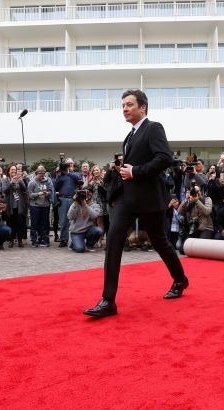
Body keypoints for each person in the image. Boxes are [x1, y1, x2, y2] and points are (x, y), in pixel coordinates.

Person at [84, 90, 188, 318]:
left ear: (143, 107)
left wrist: (135, 171)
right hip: (128, 199)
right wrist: (123, 172)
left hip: (150, 199)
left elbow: (164, 158)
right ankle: (108, 300)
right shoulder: (129, 136)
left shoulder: (153, 128)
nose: (125, 109)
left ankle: (180, 279)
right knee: (114, 240)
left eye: (129, 104)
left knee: (160, 242)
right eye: (123, 105)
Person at [54, 157, 82, 249]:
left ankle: (75, 240)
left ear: (73, 165)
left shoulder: (77, 174)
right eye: (68, 164)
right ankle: (63, 239)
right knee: (63, 221)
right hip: (63, 199)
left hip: (74, 200)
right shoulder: (61, 175)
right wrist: (58, 175)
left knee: (75, 221)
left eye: (71, 164)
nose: (69, 165)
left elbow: (78, 179)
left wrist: (68, 173)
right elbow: (55, 187)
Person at [27, 165, 54, 247]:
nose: (42, 175)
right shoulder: (32, 182)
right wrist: (38, 194)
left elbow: (51, 191)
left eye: (43, 174)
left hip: (45, 205)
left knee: (44, 224)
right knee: (34, 224)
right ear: (36, 173)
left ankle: (43, 240)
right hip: (35, 206)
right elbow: (29, 195)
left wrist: (47, 193)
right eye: (40, 174)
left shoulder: (48, 181)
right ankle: (34, 240)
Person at [4, 164, 28, 247]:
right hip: (10, 205)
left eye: (15, 170)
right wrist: (11, 183)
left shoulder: (19, 179)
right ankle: (11, 240)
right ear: (8, 171)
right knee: (10, 223)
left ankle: (20, 240)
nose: (13, 171)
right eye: (12, 170)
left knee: (20, 223)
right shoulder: (6, 180)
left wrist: (20, 181)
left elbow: (24, 189)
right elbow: (5, 190)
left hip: (19, 205)